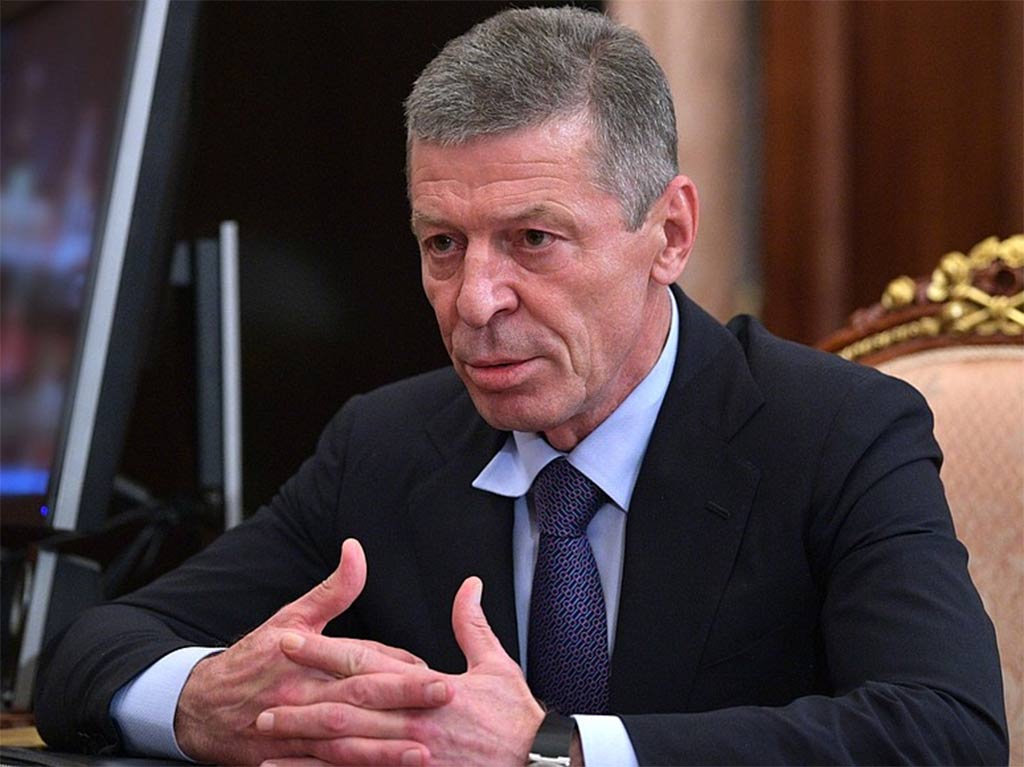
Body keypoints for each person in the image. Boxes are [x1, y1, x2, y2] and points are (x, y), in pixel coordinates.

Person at [35, 6, 1007, 766]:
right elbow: (89, 650)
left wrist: (551, 749)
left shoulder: (837, 430)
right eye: (441, 244)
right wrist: (202, 700)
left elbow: (945, 730)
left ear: (669, 234)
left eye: (532, 239)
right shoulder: (385, 444)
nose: (475, 300)